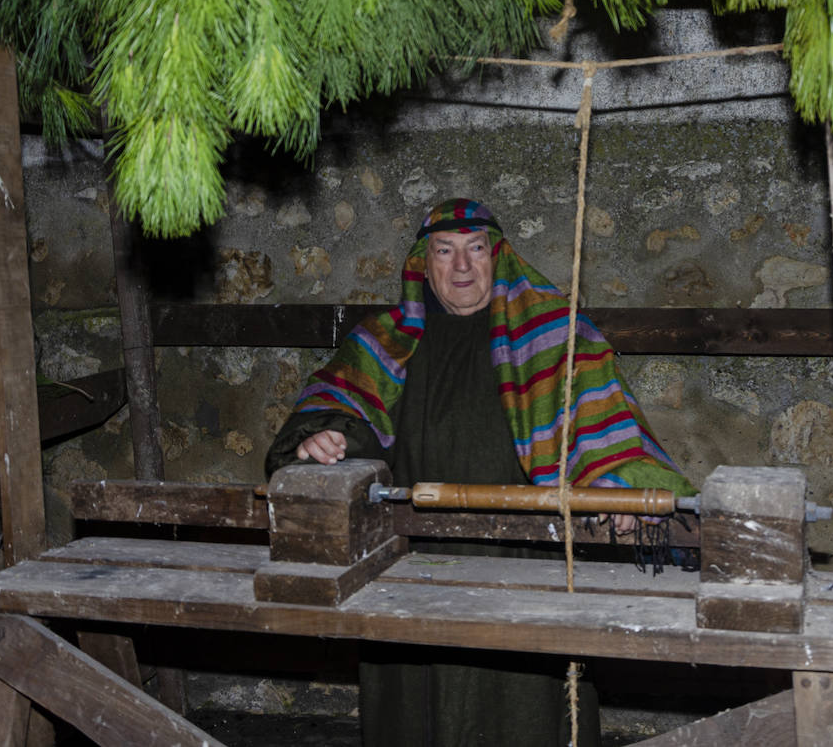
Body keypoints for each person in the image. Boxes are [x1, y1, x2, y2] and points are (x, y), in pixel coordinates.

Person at [265, 198, 695, 747]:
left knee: (524, 712)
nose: (462, 266)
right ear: (424, 265)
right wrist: (325, 437)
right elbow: (338, 407)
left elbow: (609, 429)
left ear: (499, 257)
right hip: (413, 565)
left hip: (528, 564)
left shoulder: (555, 336)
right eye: (445, 251)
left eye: (476, 249)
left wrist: (620, 486)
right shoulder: (386, 342)